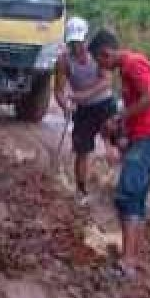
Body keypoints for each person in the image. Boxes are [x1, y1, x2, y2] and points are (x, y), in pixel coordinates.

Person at [89, 29, 150, 281]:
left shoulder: (133, 64)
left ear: (105, 53)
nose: (101, 68)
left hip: (149, 141)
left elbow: (149, 99)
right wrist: (121, 129)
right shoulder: (127, 69)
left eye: (99, 62)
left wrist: (119, 117)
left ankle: (129, 261)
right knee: (136, 199)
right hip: (144, 140)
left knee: (126, 196)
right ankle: (134, 258)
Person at [54, 17, 116, 204]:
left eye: (79, 43)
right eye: (72, 43)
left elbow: (106, 80)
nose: (76, 47)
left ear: (85, 39)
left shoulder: (97, 56)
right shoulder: (64, 61)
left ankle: (114, 182)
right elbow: (58, 90)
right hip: (84, 111)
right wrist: (65, 106)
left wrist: (83, 95)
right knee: (82, 149)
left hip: (104, 103)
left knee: (113, 141)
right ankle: (81, 190)